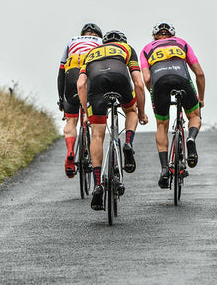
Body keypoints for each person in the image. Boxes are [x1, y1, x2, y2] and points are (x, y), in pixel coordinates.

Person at [77, 30, 148, 210]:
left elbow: (80, 84)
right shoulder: (126, 48)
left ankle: (98, 185)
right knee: (130, 110)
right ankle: (128, 143)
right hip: (120, 79)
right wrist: (141, 112)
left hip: (97, 87)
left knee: (97, 136)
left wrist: (86, 112)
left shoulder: (91, 53)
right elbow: (139, 83)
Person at [139, 22, 205, 189]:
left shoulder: (147, 48)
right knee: (194, 116)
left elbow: (146, 79)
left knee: (162, 125)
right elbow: (200, 73)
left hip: (159, 82)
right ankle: (190, 137)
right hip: (181, 78)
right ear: (172, 35)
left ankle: (163, 169)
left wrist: (153, 93)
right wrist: (201, 99)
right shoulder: (181, 43)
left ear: (155, 36)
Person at [57, 23, 103, 178]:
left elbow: (61, 72)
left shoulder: (72, 41)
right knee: (90, 114)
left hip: (70, 74)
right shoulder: (99, 43)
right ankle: (87, 120)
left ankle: (71, 151)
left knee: (70, 123)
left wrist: (61, 98)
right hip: (87, 74)